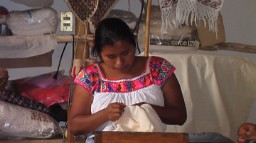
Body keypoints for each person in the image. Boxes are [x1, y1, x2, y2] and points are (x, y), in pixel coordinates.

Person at [70, 17, 187, 142]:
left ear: (134, 45)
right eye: (111, 57)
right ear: (99, 53)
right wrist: (105, 114)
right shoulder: (90, 76)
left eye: (126, 53)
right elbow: (75, 126)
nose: (120, 63)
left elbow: (179, 116)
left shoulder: (158, 68)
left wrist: (147, 109)